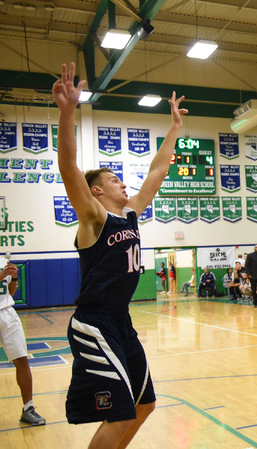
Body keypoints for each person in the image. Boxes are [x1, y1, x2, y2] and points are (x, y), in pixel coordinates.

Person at [54, 62, 187, 447]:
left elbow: (157, 172)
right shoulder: (94, 218)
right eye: (114, 179)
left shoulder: (129, 215)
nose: (122, 183)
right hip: (94, 324)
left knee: (144, 405)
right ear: (96, 192)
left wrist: (175, 127)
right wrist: (67, 114)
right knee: (120, 412)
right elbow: (68, 170)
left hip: (121, 322)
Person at [0, 258, 46, 425]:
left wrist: (13, 278)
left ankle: (28, 409)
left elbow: (10, 293)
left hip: (7, 313)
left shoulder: (3, 261)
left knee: (22, 360)